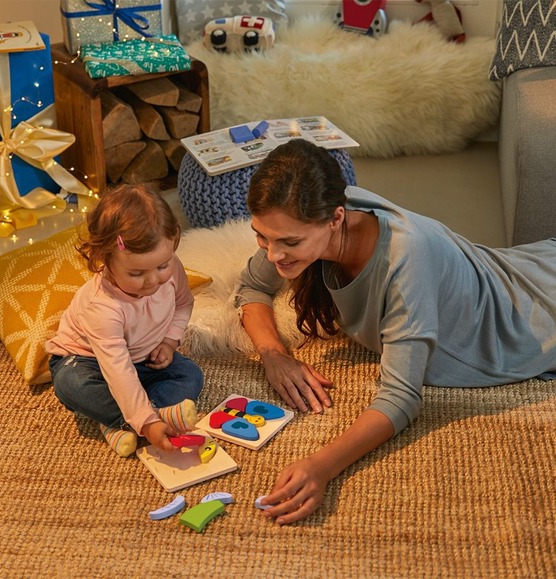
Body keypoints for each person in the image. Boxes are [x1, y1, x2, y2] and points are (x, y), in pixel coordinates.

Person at [236, 138, 556, 524]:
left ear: (336, 218)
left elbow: (402, 398)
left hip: (535, 317)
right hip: (512, 271)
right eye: (261, 236)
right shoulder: (310, 212)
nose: (273, 255)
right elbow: (252, 286)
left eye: (289, 242)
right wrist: (274, 355)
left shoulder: (406, 257)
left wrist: (321, 466)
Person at [46, 184, 204, 458]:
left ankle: (120, 420)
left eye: (162, 266)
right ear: (104, 259)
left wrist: (169, 341)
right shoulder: (102, 306)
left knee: (191, 375)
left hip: (144, 357)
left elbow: (183, 304)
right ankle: (138, 419)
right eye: (136, 273)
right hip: (88, 360)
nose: (153, 280)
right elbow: (116, 368)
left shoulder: (173, 267)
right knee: (70, 384)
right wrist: (148, 422)